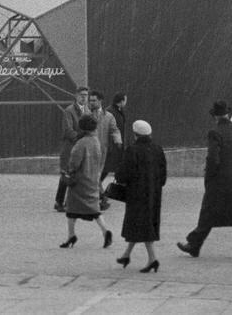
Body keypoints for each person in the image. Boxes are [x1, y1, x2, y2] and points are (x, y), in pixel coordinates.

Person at [177, 99, 232, 260]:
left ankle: (194, 245)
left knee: (208, 212)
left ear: (215, 116)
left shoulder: (215, 133)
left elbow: (213, 158)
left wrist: (210, 176)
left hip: (218, 181)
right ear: (228, 113)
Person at [115, 118, 166, 273]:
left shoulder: (132, 150)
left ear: (135, 134)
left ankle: (153, 259)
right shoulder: (158, 149)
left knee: (142, 226)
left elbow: (123, 174)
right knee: (140, 225)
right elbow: (163, 176)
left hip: (136, 194)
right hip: (154, 194)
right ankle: (126, 255)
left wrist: (119, 176)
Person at [60, 113, 112, 248]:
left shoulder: (81, 143)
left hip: (79, 181)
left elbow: (74, 163)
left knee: (71, 210)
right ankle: (105, 231)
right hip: (93, 179)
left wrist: (69, 171)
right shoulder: (96, 141)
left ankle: (71, 236)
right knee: (94, 210)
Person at [54, 88, 89, 210]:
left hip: (81, 147)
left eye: (86, 95)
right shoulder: (69, 111)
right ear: (76, 96)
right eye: (81, 95)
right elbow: (67, 130)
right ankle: (60, 202)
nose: (84, 98)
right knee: (67, 174)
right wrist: (80, 138)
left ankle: (68, 202)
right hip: (70, 147)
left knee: (76, 174)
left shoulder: (88, 111)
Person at [88, 90, 122, 209]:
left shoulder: (108, 116)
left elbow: (114, 129)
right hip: (89, 151)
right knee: (94, 175)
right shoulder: (86, 115)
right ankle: (102, 198)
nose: (91, 103)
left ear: (100, 101)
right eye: (90, 100)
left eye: (94, 100)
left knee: (94, 176)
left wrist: (118, 140)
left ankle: (101, 198)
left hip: (102, 151)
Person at [104, 92, 128, 185]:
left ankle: (119, 187)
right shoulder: (110, 111)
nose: (126, 102)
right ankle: (96, 188)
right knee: (106, 168)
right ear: (121, 101)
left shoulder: (119, 110)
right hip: (112, 145)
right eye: (125, 100)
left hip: (118, 144)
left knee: (118, 167)